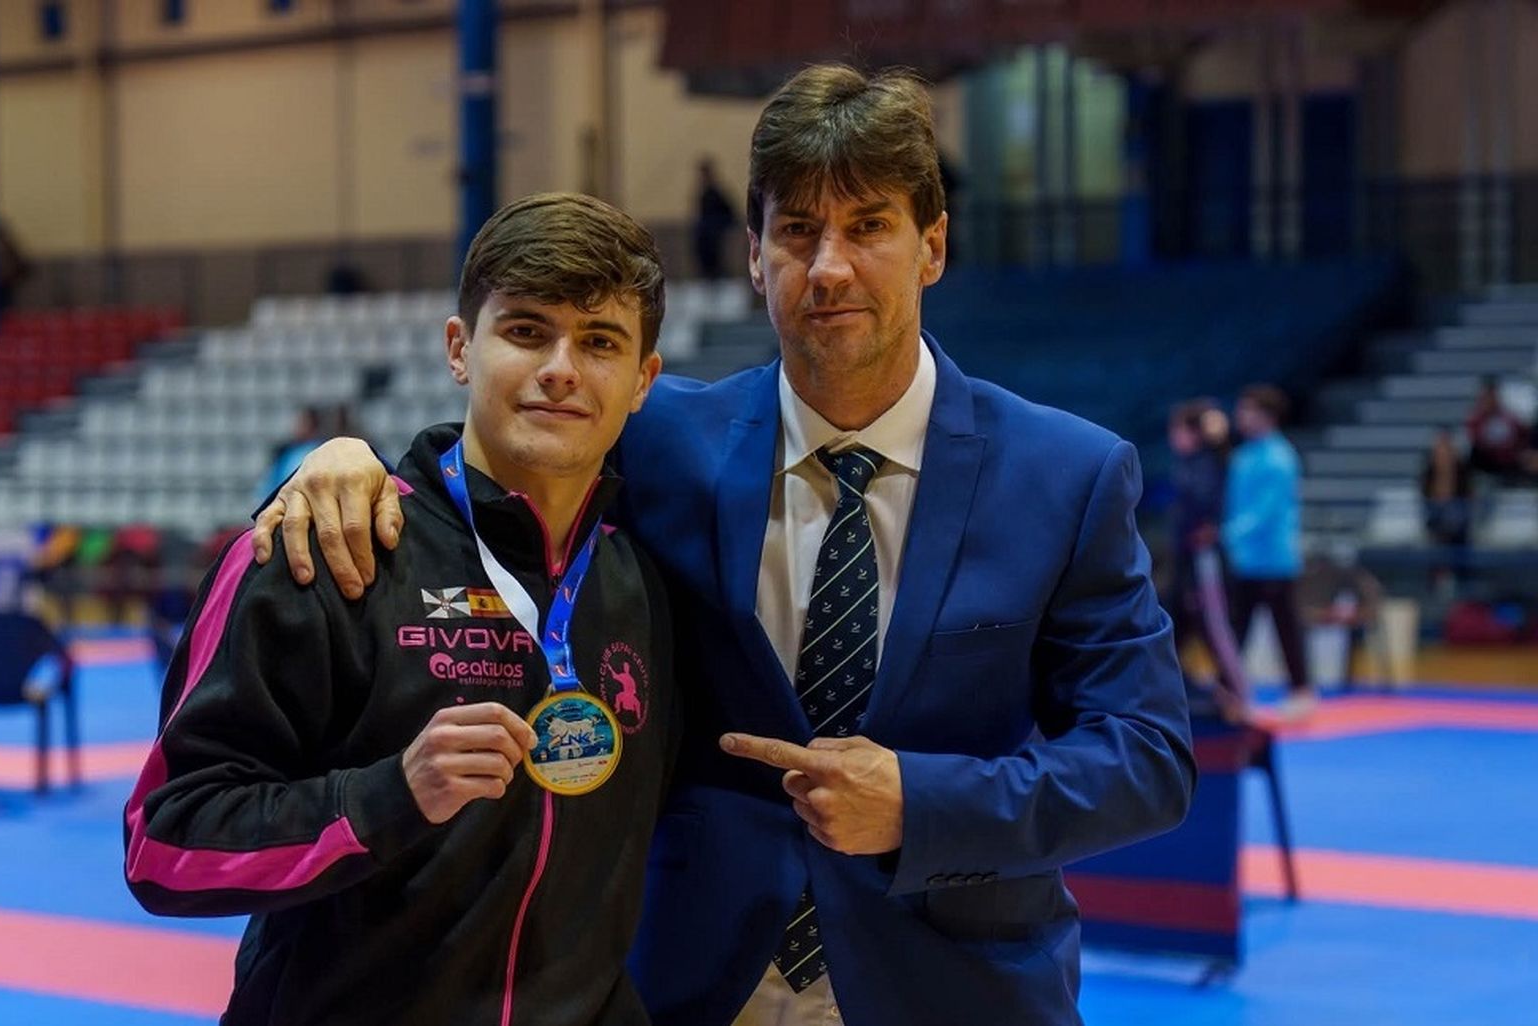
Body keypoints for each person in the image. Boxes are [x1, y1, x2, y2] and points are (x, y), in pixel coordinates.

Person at [254, 65, 1194, 1026]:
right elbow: (508, 443)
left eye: (868, 226)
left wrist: (922, 800)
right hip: (695, 988)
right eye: (797, 232)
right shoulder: (664, 442)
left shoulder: (1066, 476)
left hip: (954, 988)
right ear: (754, 256)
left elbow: (1148, 756)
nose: (828, 268)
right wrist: (349, 459)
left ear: (933, 246)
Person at [123, 193, 679, 1026]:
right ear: (461, 349)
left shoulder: (640, 583)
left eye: (599, 343)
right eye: (526, 330)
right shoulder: (325, 551)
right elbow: (165, 843)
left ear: (642, 381)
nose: (562, 367)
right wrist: (388, 798)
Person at [1223, 383, 1311, 720]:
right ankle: (1229, 691)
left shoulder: (1280, 458)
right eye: (1241, 409)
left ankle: (1301, 692)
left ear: (1269, 416)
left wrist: (1228, 535)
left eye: (1250, 410)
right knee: (1234, 629)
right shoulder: (1242, 456)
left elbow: (1265, 512)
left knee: (1285, 628)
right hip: (1243, 560)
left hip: (1274, 560)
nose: (1242, 416)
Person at [1166, 398, 1247, 720]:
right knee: (1174, 625)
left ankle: (1238, 692)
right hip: (1185, 558)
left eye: (1178, 431)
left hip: (1204, 558)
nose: (1174, 438)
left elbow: (1211, 505)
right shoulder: (1187, 463)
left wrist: (1216, 432)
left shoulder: (1213, 460)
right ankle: (1180, 688)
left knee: (1215, 626)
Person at [1298, 544, 1386, 692]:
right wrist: (1323, 614)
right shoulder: (1310, 577)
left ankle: (1342, 681)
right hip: (1319, 616)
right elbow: (1302, 610)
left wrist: (1353, 615)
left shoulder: (1360, 579)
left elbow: (1372, 608)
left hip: (1348, 616)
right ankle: (1307, 682)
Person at [1465, 376, 1527, 481]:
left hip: (1507, 463)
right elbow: (1477, 442)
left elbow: (1519, 437)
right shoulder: (1475, 420)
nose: (1490, 400)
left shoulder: (1508, 418)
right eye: (1487, 397)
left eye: (1492, 396)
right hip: (1484, 463)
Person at [693, 157, 737, 280]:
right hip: (705, 235)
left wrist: (718, 225)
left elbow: (731, 214)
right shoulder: (704, 194)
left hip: (714, 234)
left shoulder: (716, 194)